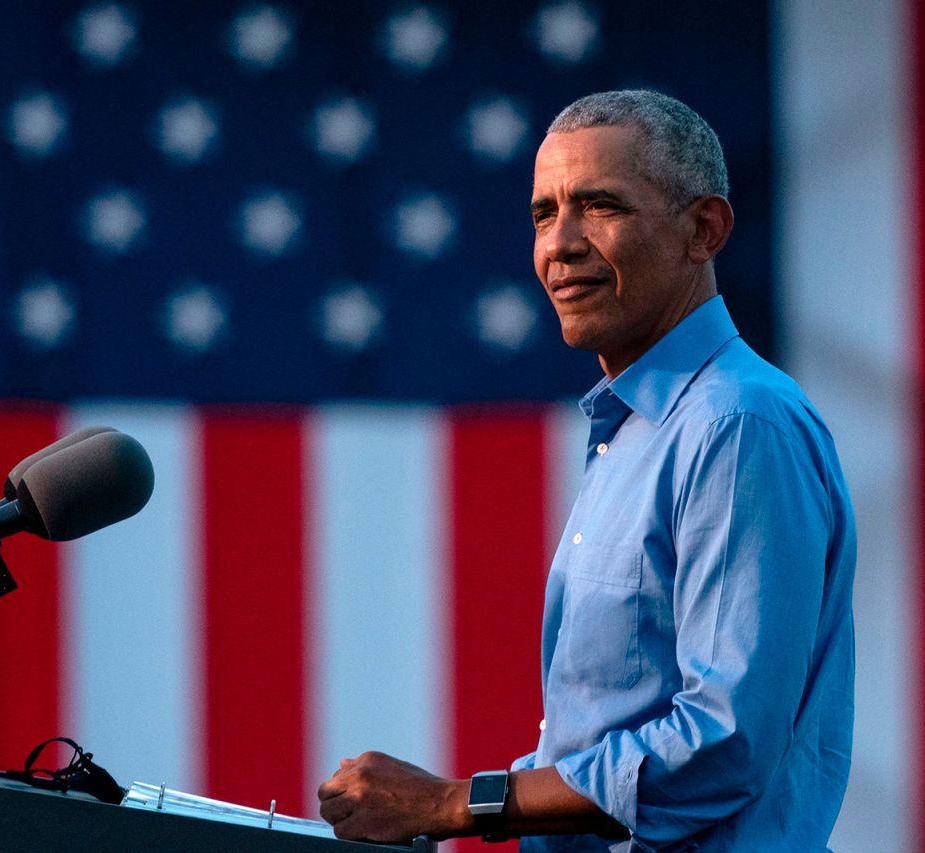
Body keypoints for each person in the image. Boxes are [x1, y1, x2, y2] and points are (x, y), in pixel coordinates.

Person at [318, 90, 856, 852]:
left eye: (599, 206)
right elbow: (606, 741)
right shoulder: (634, 427)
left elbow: (723, 741)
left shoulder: (736, 424)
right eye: (543, 214)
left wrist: (451, 803)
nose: (559, 245)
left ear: (704, 229)